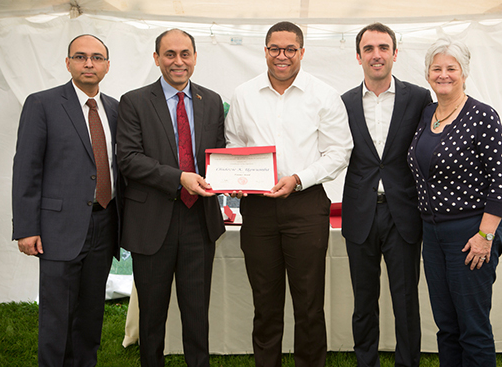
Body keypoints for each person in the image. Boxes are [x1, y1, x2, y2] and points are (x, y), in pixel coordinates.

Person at [225, 21, 353, 367]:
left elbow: (340, 151)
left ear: (302, 52)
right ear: (265, 51)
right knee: (265, 300)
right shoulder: (244, 94)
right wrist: (237, 176)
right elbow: (234, 143)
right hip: (258, 208)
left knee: (309, 301)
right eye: (275, 49)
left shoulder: (323, 94)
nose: (282, 56)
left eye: (290, 49)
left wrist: (298, 178)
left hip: (306, 205)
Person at [116, 29, 226, 367]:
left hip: (199, 221)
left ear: (195, 57)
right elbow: (129, 159)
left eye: (185, 54)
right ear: (156, 58)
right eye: (170, 54)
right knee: (151, 316)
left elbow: (217, 154)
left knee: (197, 314)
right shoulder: (134, 101)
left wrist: (232, 176)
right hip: (152, 223)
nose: (178, 61)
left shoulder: (211, 101)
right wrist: (178, 178)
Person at [12, 34, 122, 366]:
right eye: (81, 56)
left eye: (97, 57)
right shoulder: (42, 103)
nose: (89, 63)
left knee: (90, 314)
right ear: (67, 62)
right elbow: (27, 167)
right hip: (57, 227)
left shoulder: (116, 109)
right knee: (57, 315)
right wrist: (26, 228)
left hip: (105, 222)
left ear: (106, 65)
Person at [407, 37, 502, 366]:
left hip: (471, 233)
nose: (443, 74)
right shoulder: (427, 115)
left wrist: (485, 236)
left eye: (451, 68)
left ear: (464, 73)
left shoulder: (483, 116)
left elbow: (501, 181)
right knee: (446, 327)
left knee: (473, 328)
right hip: (433, 234)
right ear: (427, 74)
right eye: (436, 68)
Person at [341, 23, 433, 367]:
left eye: (383, 47)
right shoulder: (345, 102)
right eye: (369, 48)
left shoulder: (420, 98)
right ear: (358, 56)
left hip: (404, 215)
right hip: (359, 212)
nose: (376, 55)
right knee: (363, 301)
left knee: (406, 300)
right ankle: (366, 362)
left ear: (395, 54)